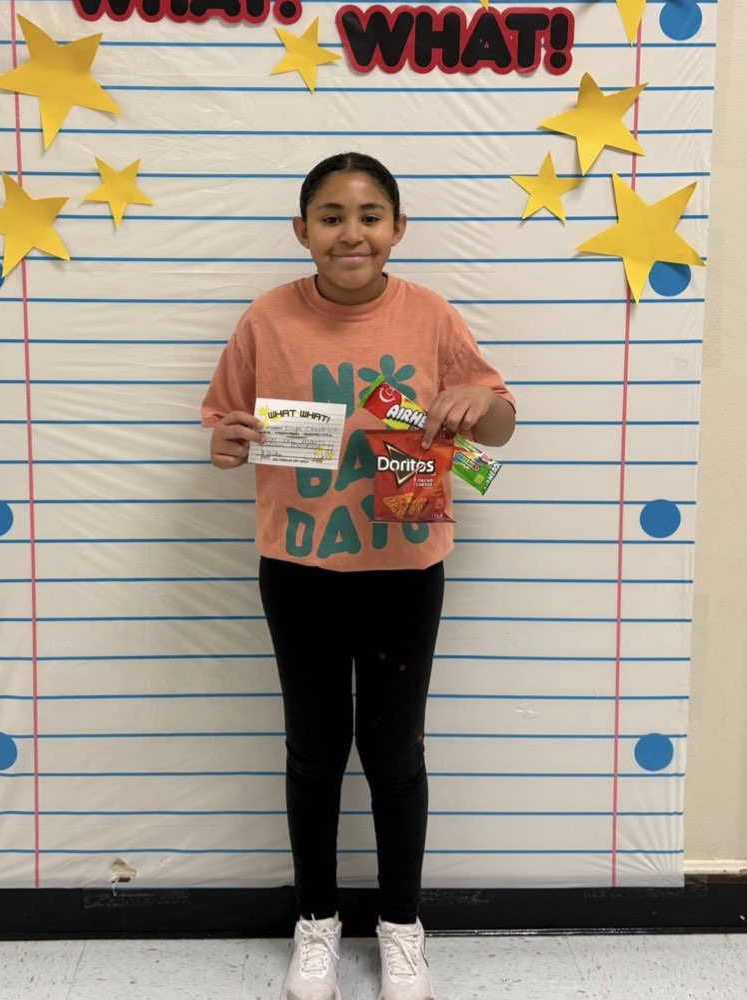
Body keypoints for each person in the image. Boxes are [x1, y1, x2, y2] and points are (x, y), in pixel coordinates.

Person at [203, 151, 517, 1000]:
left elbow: (500, 426)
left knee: (394, 752)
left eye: (371, 215)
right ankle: (316, 923)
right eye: (333, 217)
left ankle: (402, 927)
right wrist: (226, 441)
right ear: (302, 232)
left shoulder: (431, 316)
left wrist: (472, 407)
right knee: (313, 751)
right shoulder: (266, 320)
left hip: (404, 572)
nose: (353, 232)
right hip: (296, 568)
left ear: (398, 229)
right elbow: (222, 419)